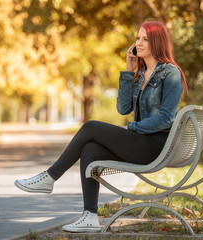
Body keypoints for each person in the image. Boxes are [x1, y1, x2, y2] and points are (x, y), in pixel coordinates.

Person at [14, 20, 187, 233]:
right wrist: (128, 70)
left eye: (145, 39)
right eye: (137, 38)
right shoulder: (141, 74)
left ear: (158, 43)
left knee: (90, 127)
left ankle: (50, 177)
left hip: (155, 147)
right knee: (90, 150)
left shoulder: (170, 73)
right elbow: (123, 109)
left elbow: (166, 119)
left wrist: (132, 128)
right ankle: (90, 216)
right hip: (140, 143)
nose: (139, 43)